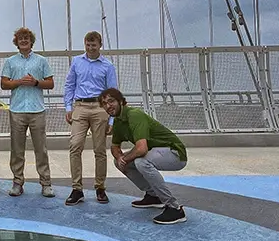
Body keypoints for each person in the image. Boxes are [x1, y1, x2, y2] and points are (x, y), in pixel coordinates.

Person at [98, 87, 188, 225]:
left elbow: (141, 149)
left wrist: (125, 158)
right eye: (104, 103)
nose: (108, 106)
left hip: (174, 152)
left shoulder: (134, 114)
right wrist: (120, 158)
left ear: (121, 101)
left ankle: (174, 209)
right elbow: (114, 146)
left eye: (111, 101)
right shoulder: (118, 121)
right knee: (120, 162)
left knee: (141, 162)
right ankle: (153, 195)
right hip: (156, 152)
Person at [63, 30, 117, 206]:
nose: (91, 48)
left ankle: (100, 187)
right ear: (85, 44)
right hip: (80, 106)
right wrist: (68, 107)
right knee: (75, 145)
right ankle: (76, 188)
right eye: (88, 44)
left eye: (94, 45)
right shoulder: (77, 62)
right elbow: (69, 85)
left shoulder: (108, 66)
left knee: (99, 150)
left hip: (100, 108)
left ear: (100, 45)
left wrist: (111, 120)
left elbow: (112, 93)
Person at [0, 27, 55, 197]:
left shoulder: (41, 61)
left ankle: (46, 183)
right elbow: (4, 84)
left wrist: (36, 82)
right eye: (20, 38)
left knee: (41, 149)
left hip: (37, 110)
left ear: (31, 41)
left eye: (26, 38)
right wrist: (19, 81)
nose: (24, 41)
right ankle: (17, 182)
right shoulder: (10, 61)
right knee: (17, 149)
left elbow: (50, 83)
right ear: (16, 42)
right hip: (17, 110)